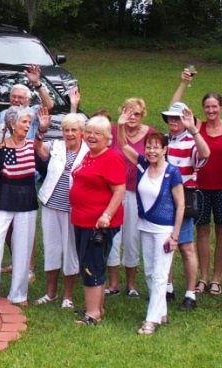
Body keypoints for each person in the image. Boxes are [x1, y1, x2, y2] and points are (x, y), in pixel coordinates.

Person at [117, 125, 185, 335]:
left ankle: (151, 320)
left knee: (160, 275)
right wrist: (120, 124)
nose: (152, 151)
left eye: (156, 147)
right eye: (149, 147)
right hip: (144, 226)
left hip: (164, 229)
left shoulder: (172, 172)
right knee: (148, 272)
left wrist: (175, 235)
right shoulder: (143, 165)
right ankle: (161, 311)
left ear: (165, 149)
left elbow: (180, 205)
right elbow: (123, 145)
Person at [170, 70, 222, 297]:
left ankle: (217, 279)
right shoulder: (198, 125)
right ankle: (203, 278)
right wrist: (184, 83)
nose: (211, 110)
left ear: (221, 107)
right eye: (207, 107)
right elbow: (175, 107)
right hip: (199, 189)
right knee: (202, 231)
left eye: (215, 106)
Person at [0, 106, 39, 306]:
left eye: (29, 123)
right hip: (3, 200)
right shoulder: (2, 147)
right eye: (24, 122)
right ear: (13, 124)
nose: (27, 126)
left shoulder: (32, 146)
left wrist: (42, 131)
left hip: (27, 202)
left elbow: (44, 166)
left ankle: (19, 294)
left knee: (22, 246)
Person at [70, 116, 126, 325]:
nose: (92, 136)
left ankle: (92, 313)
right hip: (82, 219)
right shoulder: (90, 155)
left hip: (98, 224)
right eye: (89, 132)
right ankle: (97, 307)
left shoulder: (111, 158)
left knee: (92, 264)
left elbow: (120, 190)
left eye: (98, 133)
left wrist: (106, 215)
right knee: (91, 262)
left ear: (108, 138)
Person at [34, 113, 88, 308]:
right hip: (51, 204)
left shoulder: (89, 152)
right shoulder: (56, 145)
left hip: (74, 209)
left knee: (70, 251)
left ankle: (68, 296)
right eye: (66, 130)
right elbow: (37, 149)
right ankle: (50, 293)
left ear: (82, 132)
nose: (70, 134)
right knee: (51, 248)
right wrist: (41, 130)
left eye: (74, 130)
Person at [161, 102, 210, 311]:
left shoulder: (191, 141)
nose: (173, 121)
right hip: (164, 200)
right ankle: (168, 288)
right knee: (165, 245)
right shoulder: (165, 141)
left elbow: (206, 154)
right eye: (170, 118)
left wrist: (194, 130)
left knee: (186, 247)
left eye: (177, 118)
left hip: (184, 200)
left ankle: (190, 294)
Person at [106, 98, 151, 298]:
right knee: (113, 236)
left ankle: (131, 284)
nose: (132, 117)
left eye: (137, 114)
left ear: (143, 116)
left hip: (136, 192)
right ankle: (113, 283)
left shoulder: (150, 134)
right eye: (128, 112)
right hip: (113, 191)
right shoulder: (113, 131)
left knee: (132, 237)